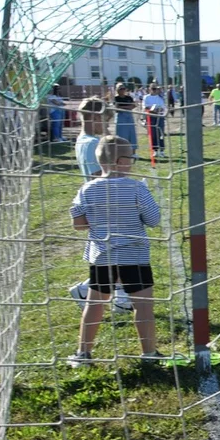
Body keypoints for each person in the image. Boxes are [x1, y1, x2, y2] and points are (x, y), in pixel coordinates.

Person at [67, 135, 162, 367]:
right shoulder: (137, 188)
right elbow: (154, 219)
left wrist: (100, 220)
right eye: (131, 157)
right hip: (135, 257)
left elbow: (78, 224)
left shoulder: (87, 188)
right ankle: (149, 354)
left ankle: (83, 354)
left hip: (102, 257)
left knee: (95, 304)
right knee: (143, 307)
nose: (133, 161)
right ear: (120, 161)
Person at [69, 98, 134, 314]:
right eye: (105, 120)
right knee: (120, 251)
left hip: (100, 205)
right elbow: (99, 176)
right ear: (94, 117)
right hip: (104, 205)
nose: (107, 126)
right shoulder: (90, 144)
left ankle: (88, 290)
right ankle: (119, 297)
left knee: (113, 254)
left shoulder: (83, 140)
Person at [113, 83, 138, 156]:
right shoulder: (116, 98)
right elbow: (116, 108)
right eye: (120, 89)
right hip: (121, 117)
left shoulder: (129, 97)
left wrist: (123, 107)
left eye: (124, 88)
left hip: (129, 117)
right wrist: (127, 107)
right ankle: (122, 153)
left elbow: (133, 105)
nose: (122, 90)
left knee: (132, 134)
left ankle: (133, 153)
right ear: (117, 90)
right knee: (122, 135)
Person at [143, 84, 167, 156]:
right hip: (151, 117)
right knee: (153, 134)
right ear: (149, 89)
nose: (154, 90)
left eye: (155, 89)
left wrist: (159, 110)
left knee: (160, 133)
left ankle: (162, 150)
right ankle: (155, 150)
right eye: (152, 89)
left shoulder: (160, 98)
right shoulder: (146, 97)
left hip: (160, 116)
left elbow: (163, 107)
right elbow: (145, 107)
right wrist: (152, 110)